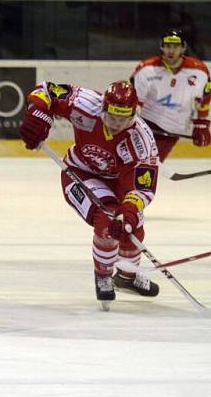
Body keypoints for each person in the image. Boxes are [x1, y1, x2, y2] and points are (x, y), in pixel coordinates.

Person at [18, 80, 160, 307]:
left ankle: (127, 277)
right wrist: (37, 114)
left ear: (135, 113)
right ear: (103, 108)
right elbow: (46, 90)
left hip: (119, 182)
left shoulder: (141, 139)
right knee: (107, 220)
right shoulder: (84, 104)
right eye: (113, 117)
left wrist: (131, 210)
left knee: (131, 227)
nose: (117, 123)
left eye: (124, 118)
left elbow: (142, 186)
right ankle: (103, 275)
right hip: (80, 172)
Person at [130, 29, 211, 160]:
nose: (171, 51)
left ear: (183, 48)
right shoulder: (147, 69)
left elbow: (204, 98)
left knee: (148, 164)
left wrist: (201, 124)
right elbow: (135, 100)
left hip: (174, 128)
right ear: (162, 47)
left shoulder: (199, 71)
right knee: (136, 162)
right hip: (146, 124)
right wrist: (130, 123)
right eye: (168, 46)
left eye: (175, 46)